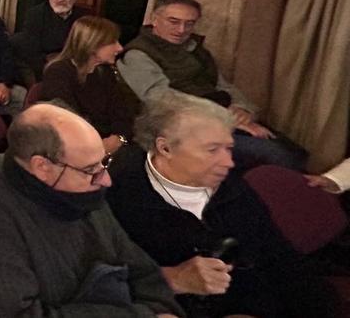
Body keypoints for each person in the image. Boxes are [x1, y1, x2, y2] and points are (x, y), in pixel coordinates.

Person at [0, 103, 182, 317]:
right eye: (90, 169)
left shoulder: (81, 190)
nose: (105, 180)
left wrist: (159, 309)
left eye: (103, 163)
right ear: (42, 167)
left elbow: (141, 270)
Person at [106, 93, 336, 318]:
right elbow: (101, 285)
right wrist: (170, 278)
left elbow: (280, 259)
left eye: (228, 148)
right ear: (165, 148)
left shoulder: (231, 187)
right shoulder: (117, 197)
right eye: (212, 150)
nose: (228, 162)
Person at [118, 0, 306, 170]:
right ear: (154, 19)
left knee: (291, 149)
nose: (181, 30)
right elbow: (160, 98)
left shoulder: (196, 49)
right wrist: (224, 119)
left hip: (216, 116)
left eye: (189, 24)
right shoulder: (138, 54)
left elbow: (222, 85)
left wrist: (242, 109)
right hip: (179, 126)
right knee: (274, 154)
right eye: (173, 22)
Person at [42, 16, 142, 154]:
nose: (119, 48)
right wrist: (100, 146)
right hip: (76, 147)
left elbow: (122, 112)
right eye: (112, 42)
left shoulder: (105, 71)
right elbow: (68, 120)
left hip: (110, 144)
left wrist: (119, 139)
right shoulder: (58, 72)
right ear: (93, 44)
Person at [12, 0, 86, 81]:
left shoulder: (83, 18)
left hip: (72, 66)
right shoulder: (35, 15)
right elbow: (31, 52)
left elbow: (83, 50)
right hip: (41, 67)